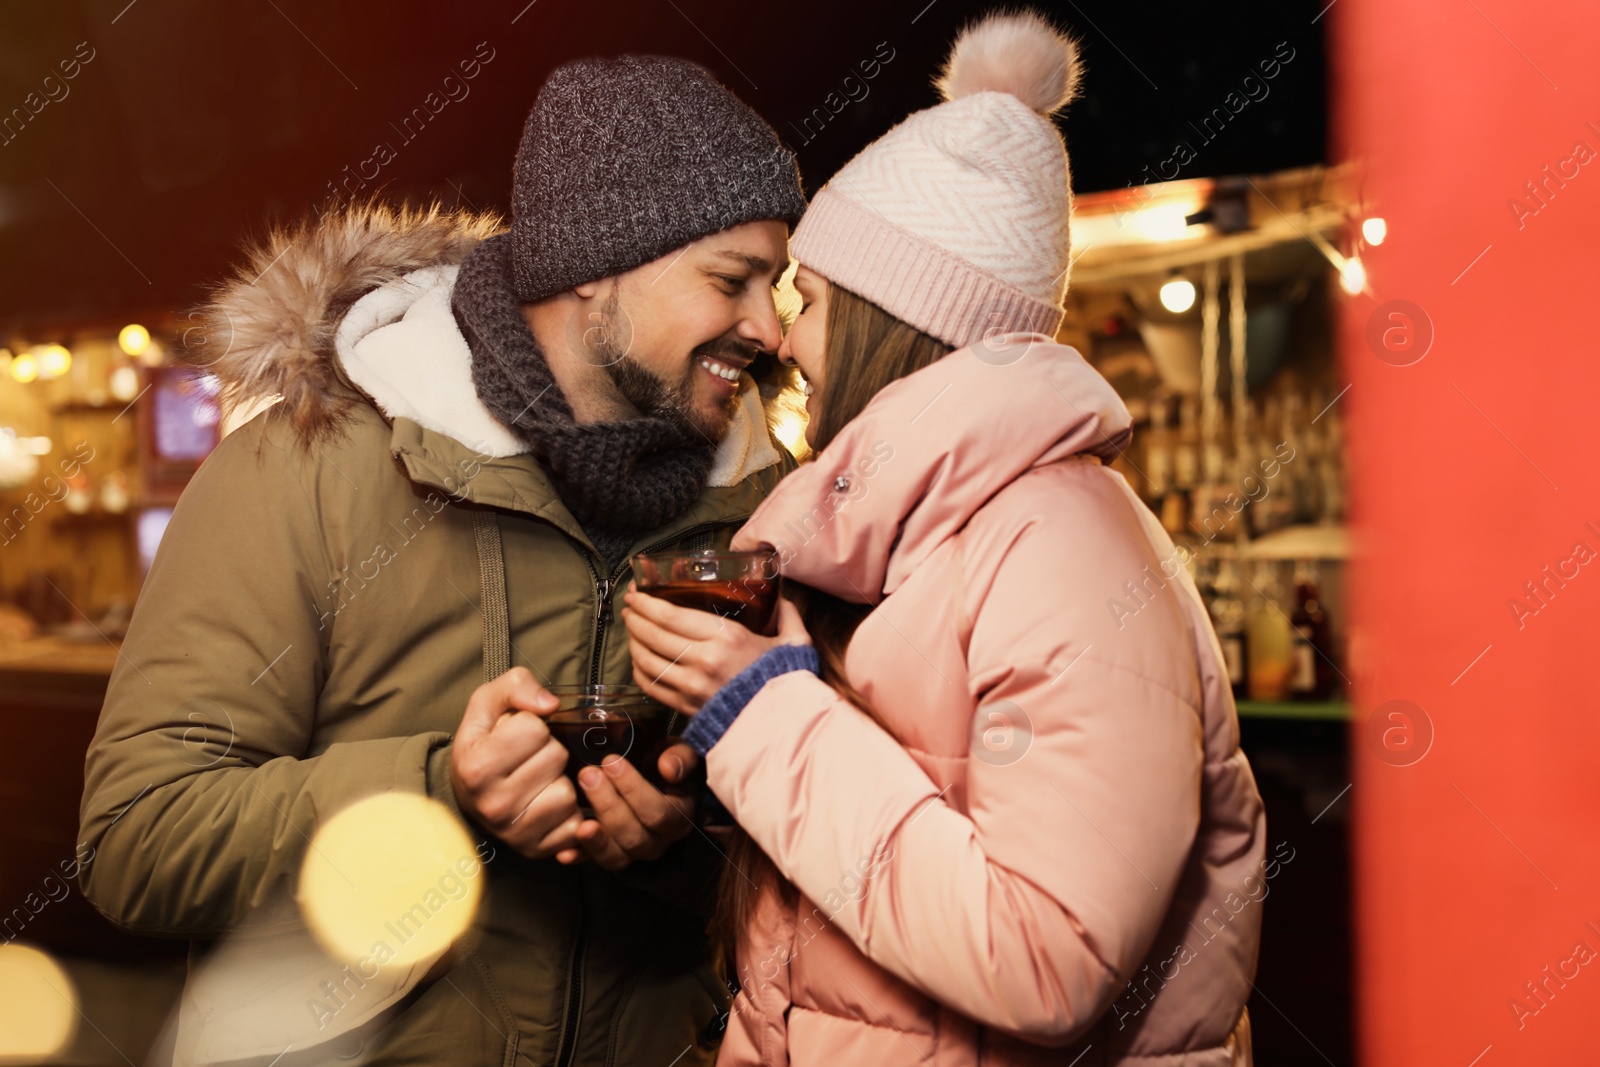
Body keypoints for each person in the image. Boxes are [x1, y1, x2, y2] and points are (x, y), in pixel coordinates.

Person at [77, 54, 805, 1066]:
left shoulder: (769, 517)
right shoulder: (306, 468)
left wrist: (682, 844)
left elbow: (815, 869)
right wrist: (437, 792)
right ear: (592, 264)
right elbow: (135, 834)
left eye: (780, 283)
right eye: (732, 279)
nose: (771, 328)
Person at [620, 11, 1266, 1066]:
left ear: (892, 323)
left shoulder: (1064, 549)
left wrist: (762, 708)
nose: (784, 337)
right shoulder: (908, 543)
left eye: (813, 300)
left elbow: (1049, 959)